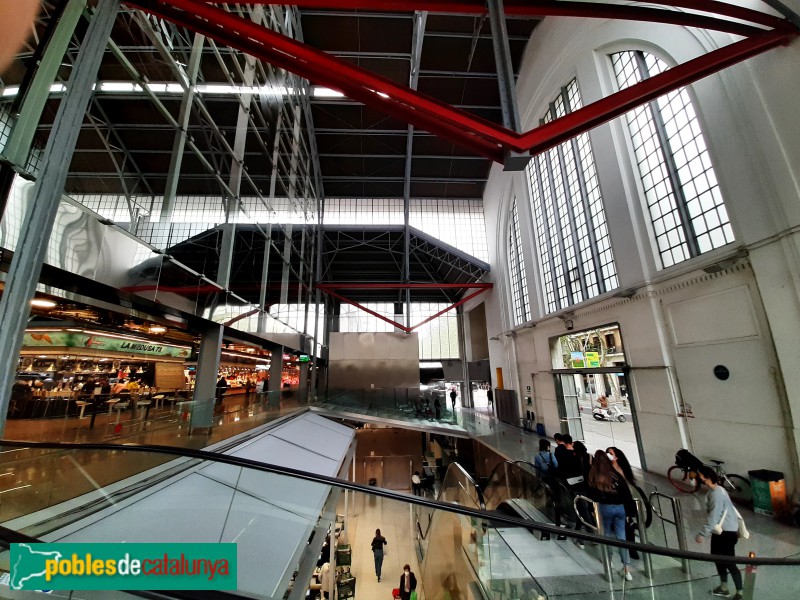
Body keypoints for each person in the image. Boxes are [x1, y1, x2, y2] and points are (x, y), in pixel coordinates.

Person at [695, 465, 743, 600]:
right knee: (717, 558)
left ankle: (739, 592)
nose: (699, 478)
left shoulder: (716, 493)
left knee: (728, 562)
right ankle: (723, 587)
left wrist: (702, 534)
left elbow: (713, 516)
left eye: (701, 476)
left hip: (726, 533)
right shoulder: (717, 490)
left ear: (707, 478)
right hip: (722, 531)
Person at [587, 450, 634, 580]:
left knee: (606, 534)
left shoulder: (593, 474)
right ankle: (626, 569)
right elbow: (626, 493)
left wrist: (592, 508)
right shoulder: (614, 474)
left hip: (604, 508)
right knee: (621, 537)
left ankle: (609, 561)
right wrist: (630, 512)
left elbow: (591, 493)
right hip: (620, 508)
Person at [607, 446, 639, 559]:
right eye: (609, 453)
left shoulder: (624, 468)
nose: (610, 456)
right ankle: (628, 549)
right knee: (623, 525)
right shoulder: (608, 471)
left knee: (629, 525)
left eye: (612, 453)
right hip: (618, 501)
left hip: (628, 500)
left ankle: (631, 548)